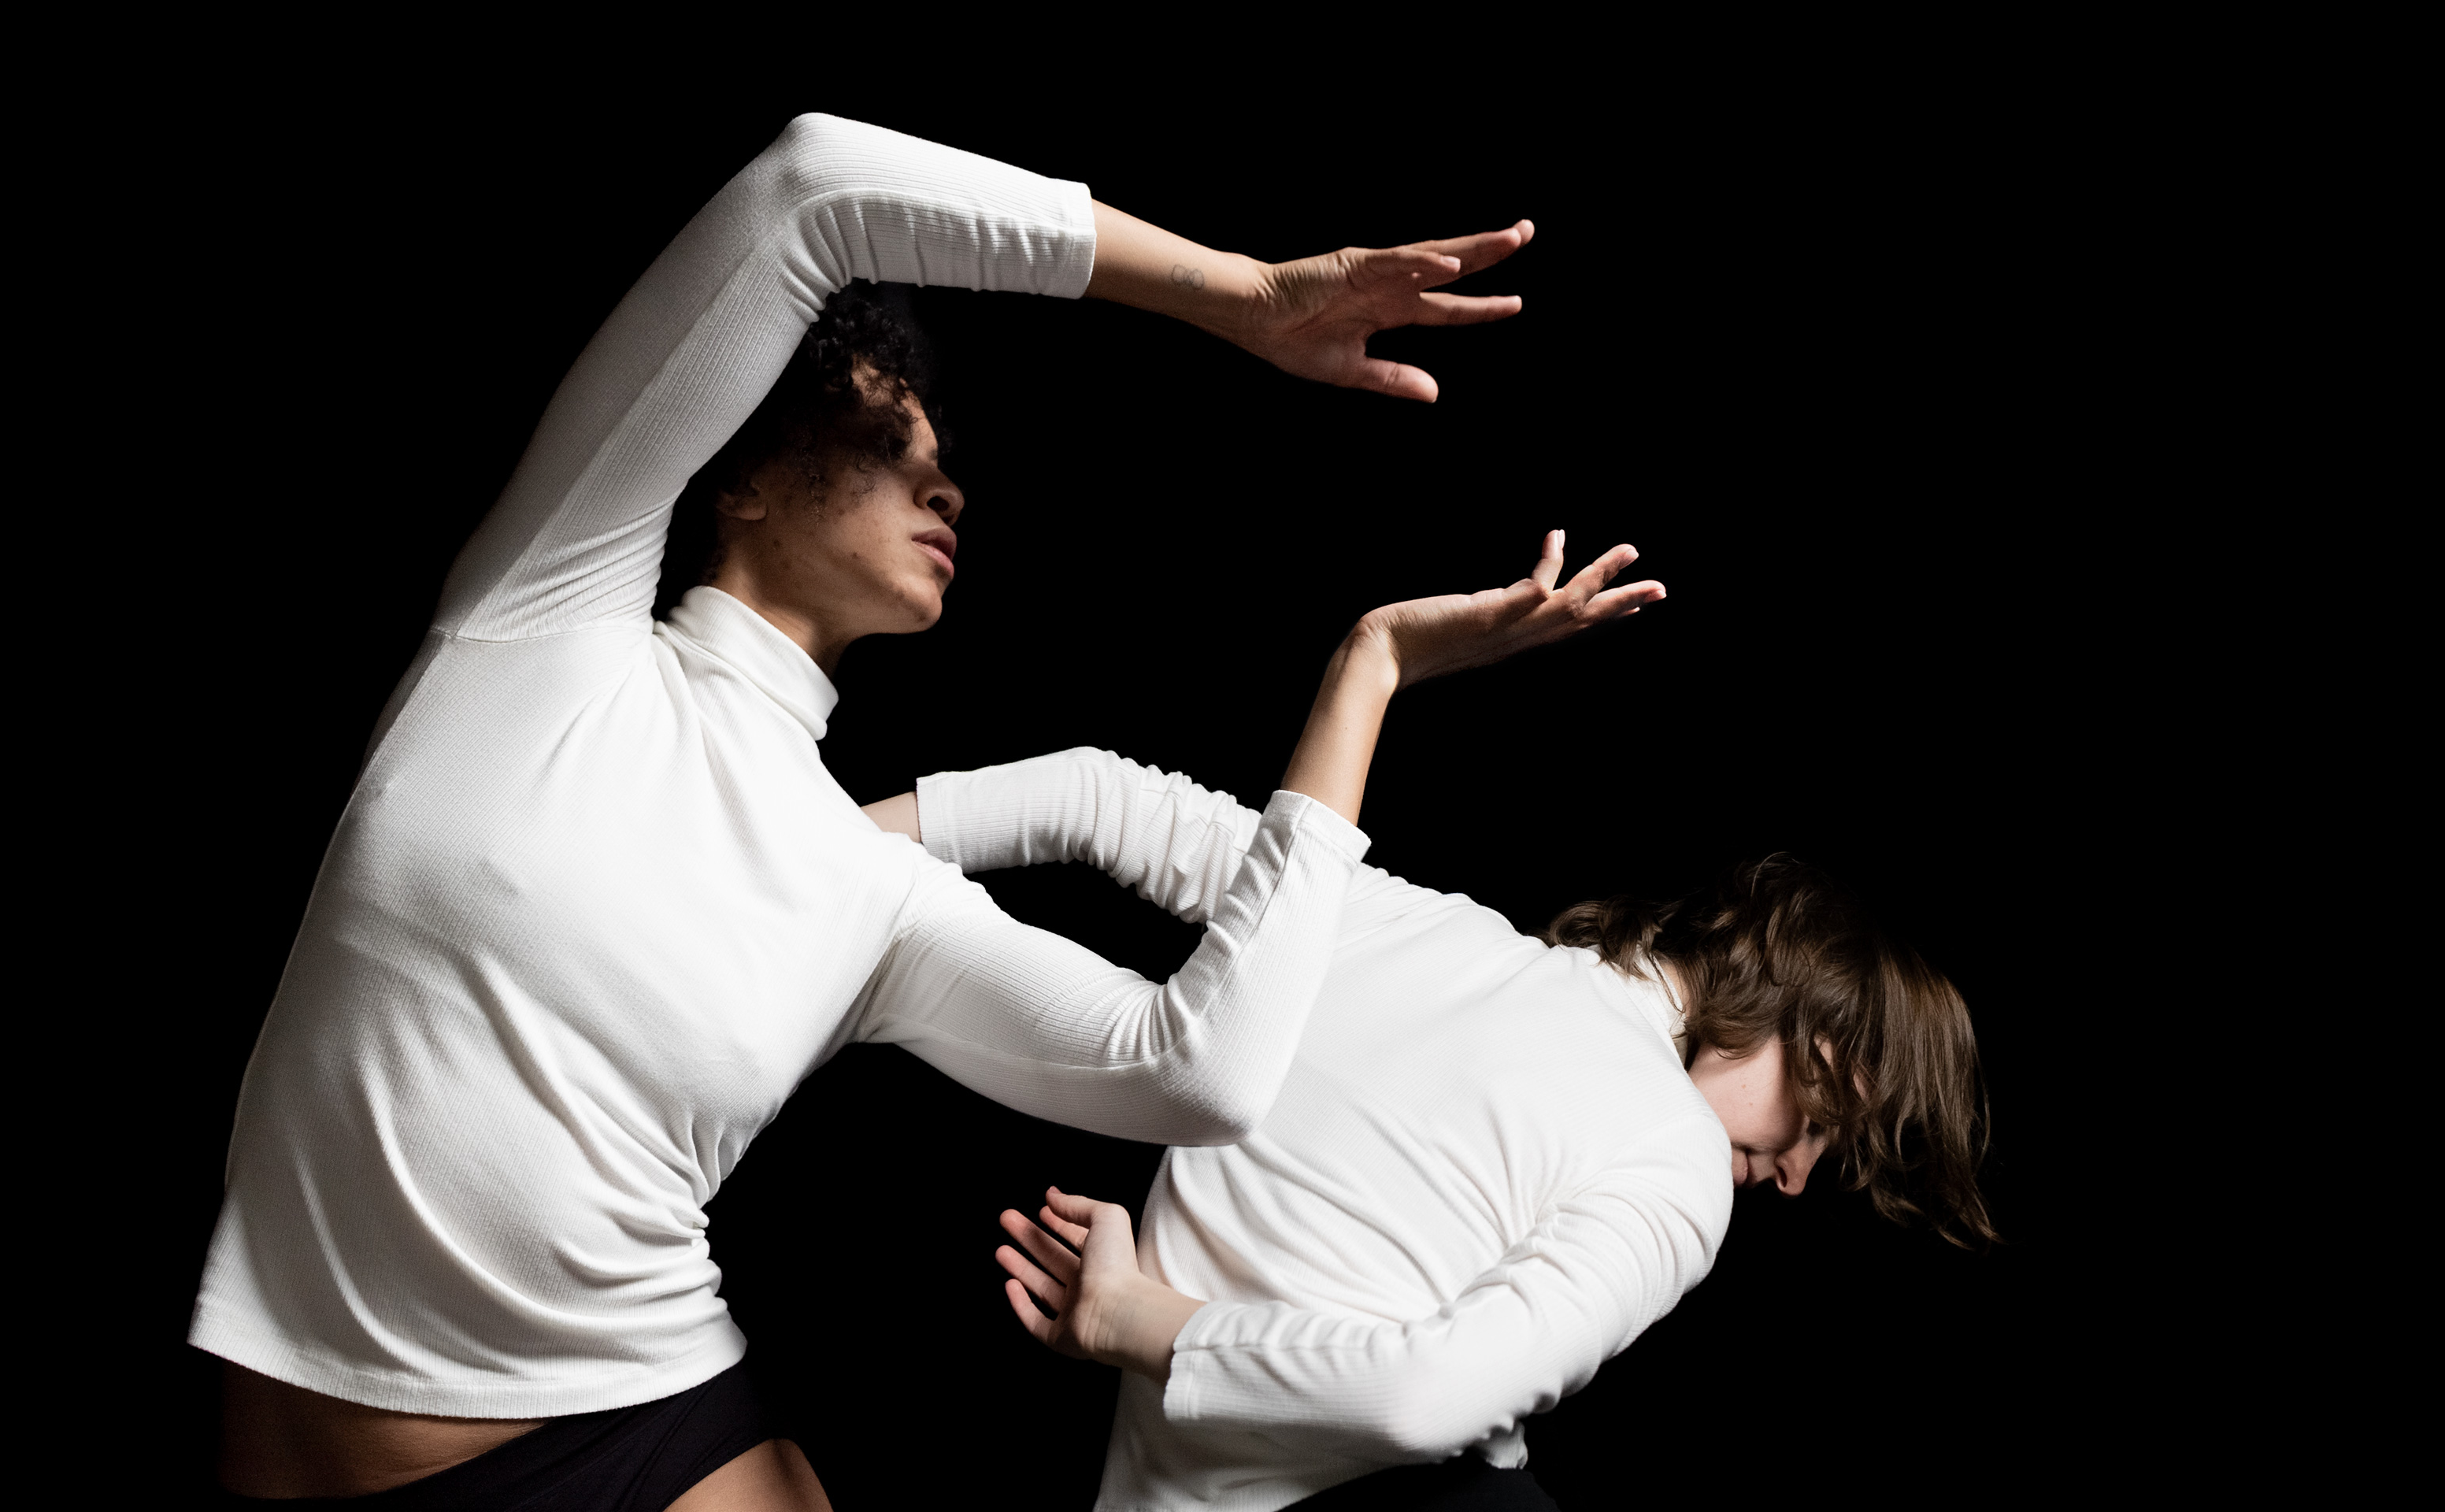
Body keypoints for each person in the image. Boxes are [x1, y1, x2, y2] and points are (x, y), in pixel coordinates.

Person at [195, 112, 1542, 1507]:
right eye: (886, 439)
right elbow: (816, 185)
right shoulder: (542, 618)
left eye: (941, 454)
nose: (943, 480)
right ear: (740, 474)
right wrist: (1243, 294)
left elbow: (1199, 1072)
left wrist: (1364, 674)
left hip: (638, 1433)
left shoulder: (869, 890)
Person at [868, 536, 1995, 1511]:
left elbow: (1096, 796)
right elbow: (1422, 1400)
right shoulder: (1680, 1153)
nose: (1795, 1178)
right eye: (1824, 1129)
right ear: (1821, 1039)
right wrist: (1127, 1320)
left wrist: (822, 843)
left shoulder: (1392, 921)